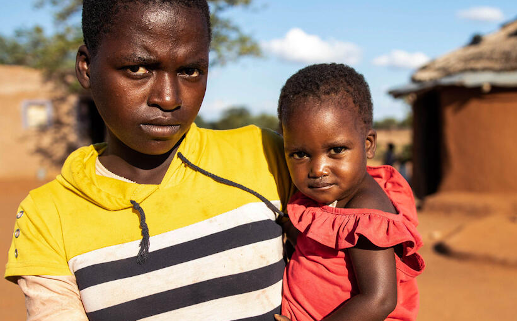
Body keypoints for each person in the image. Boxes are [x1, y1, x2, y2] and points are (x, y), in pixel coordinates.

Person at [4, 1, 294, 320]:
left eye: (190, 70)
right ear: (86, 67)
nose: (168, 98)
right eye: (138, 69)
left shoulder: (265, 156)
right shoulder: (47, 216)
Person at [274, 64, 424, 321]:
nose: (318, 169)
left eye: (336, 150)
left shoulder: (366, 212)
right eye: (300, 154)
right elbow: (326, 251)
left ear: (368, 145)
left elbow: (378, 300)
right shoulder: (330, 200)